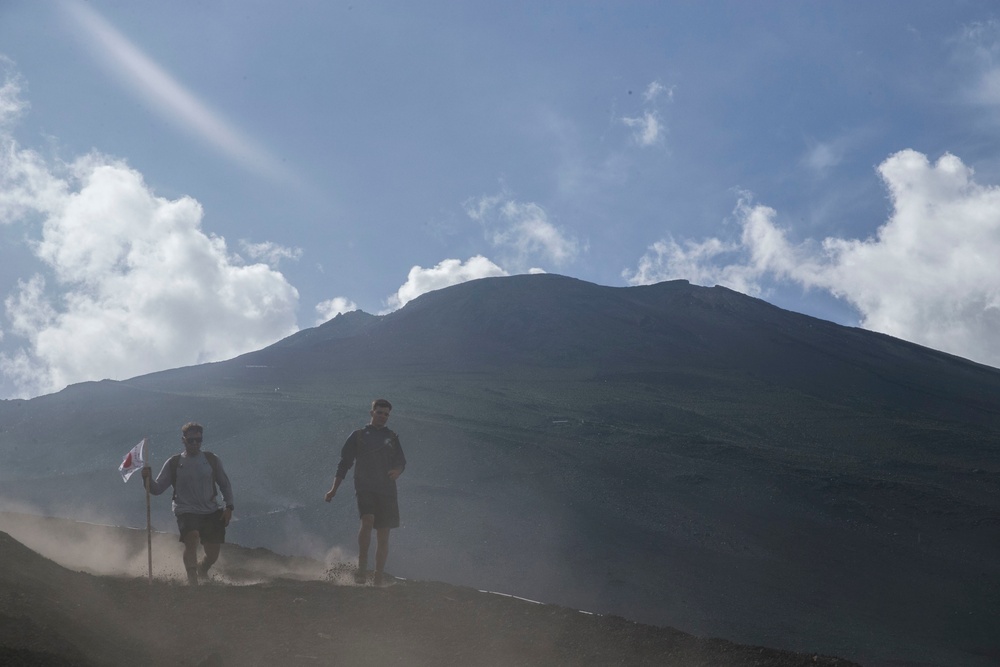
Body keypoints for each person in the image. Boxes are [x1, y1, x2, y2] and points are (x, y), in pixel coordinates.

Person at [325, 398, 406, 586]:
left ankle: (378, 576)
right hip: (365, 486)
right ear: (372, 413)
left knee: (384, 533)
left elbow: (401, 461)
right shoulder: (358, 435)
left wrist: (398, 471)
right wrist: (333, 490)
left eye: (386, 414)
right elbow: (344, 463)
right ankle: (361, 570)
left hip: (386, 490)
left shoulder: (392, 437)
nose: (383, 417)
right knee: (367, 520)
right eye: (379, 412)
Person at [142, 422, 234, 585]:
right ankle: (193, 581)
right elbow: (157, 489)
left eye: (198, 440)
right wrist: (146, 478)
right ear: (183, 440)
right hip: (185, 509)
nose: (195, 444)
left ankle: (203, 568)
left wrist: (229, 507)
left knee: (212, 554)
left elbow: (224, 484)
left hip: (211, 510)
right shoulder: (174, 463)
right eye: (191, 440)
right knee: (191, 538)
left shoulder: (212, 460)